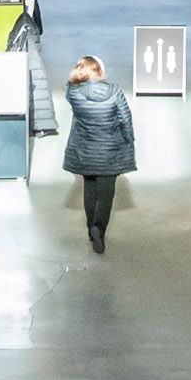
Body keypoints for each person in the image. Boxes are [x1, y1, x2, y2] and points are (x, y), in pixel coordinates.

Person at [59, 52, 136, 253]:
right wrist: (129, 140)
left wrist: (77, 74)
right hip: (109, 152)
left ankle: (90, 228)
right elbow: (125, 119)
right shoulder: (114, 91)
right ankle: (99, 229)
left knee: (89, 190)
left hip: (85, 151)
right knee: (106, 195)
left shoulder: (74, 93)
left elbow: (68, 86)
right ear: (100, 71)